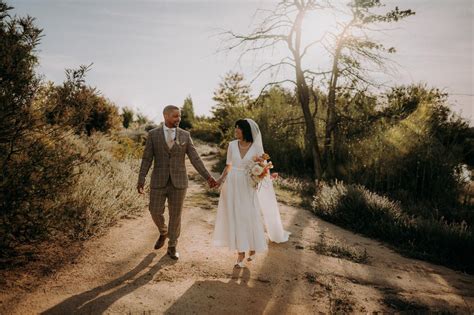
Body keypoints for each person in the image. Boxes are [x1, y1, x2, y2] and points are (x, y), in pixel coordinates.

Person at [137, 105, 218, 260]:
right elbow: (147, 159)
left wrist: (208, 177)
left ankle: (172, 245)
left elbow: (195, 158)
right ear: (166, 116)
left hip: (179, 182)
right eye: (175, 116)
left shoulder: (185, 135)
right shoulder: (153, 135)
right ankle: (163, 231)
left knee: (176, 215)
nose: (178, 119)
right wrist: (141, 179)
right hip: (158, 180)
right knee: (154, 210)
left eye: (179, 116)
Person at [212, 118, 291, 267]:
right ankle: (240, 254)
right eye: (235, 128)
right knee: (235, 217)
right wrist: (220, 180)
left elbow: (263, 168)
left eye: (238, 129)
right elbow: (228, 166)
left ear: (246, 131)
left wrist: (266, 176)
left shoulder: (256, 148)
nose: (235, 131)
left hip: (248, 185)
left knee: (248, 216)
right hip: (232, 184)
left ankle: (253, 246)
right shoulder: (231, 145)